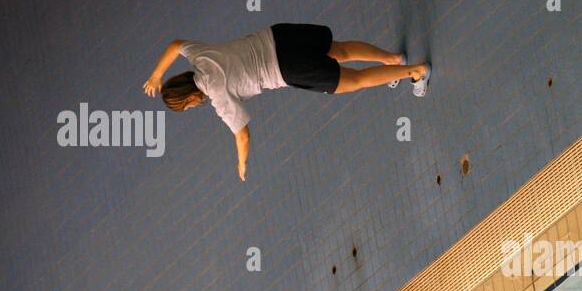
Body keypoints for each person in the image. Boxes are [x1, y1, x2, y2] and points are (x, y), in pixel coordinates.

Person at [142, 24, 430, 180]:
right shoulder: (200, 56)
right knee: (339, 49)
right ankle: (393, 60)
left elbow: (242, 134)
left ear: (191, 97)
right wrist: (156, 75)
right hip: (279, 36)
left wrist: (241, 163)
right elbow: (176, 45)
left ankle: (415, 71)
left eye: (188, 106)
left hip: (288, 69)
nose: (193, 108)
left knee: (354, 80)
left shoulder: (217, 95)